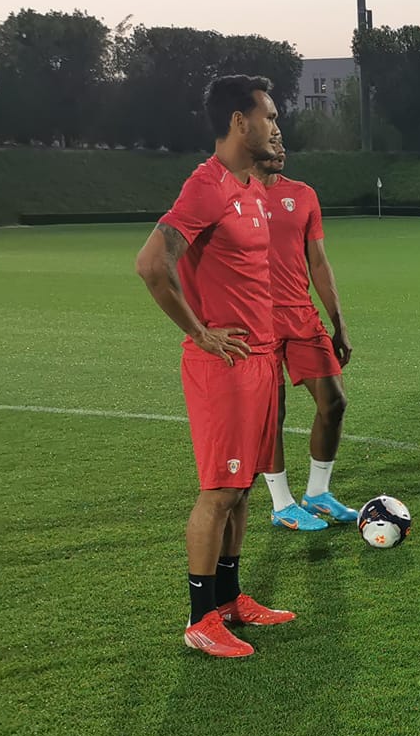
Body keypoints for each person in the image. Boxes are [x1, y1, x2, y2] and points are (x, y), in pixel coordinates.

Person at [133, 75, 295, 659]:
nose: (276, 126)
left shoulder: (250, 187)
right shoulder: (206, 186)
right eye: (268, 115)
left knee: (243, 488)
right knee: (218, 492)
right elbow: (152, 264)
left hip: (258, 362)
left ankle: (229, 601)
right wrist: (199, 334)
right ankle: (200, 619)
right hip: (221, 367)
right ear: (238, 121)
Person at [250, 140, 360, 527]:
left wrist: (338, 321)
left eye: (282, 142)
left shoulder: (303, 195)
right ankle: (282, 504)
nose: (280, 147)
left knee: (334, 401)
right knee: (270, 413)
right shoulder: (231, 194)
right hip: (253, 321)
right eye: (271, 140)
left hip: (300, 315)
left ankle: (317, 494)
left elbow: (318, 261)